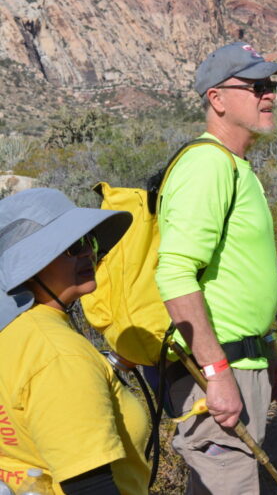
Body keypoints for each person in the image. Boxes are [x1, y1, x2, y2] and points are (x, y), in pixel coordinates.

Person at [155, 42, 277, 494]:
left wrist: (267, 349)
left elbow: (234, 276)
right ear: (216, 99)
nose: (269, 94)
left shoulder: (235, 166)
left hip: (240, 362)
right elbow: (175, 273)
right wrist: (217, 373)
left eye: (270, 84)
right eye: (256, 86)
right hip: (218, 369)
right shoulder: (207, 165)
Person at [0, 188, 149, 495]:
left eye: (90, 241)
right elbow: (89, 486)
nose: (89, 252)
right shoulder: (58, 355)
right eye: (73, 246)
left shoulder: (14, 332)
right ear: (30, 263)